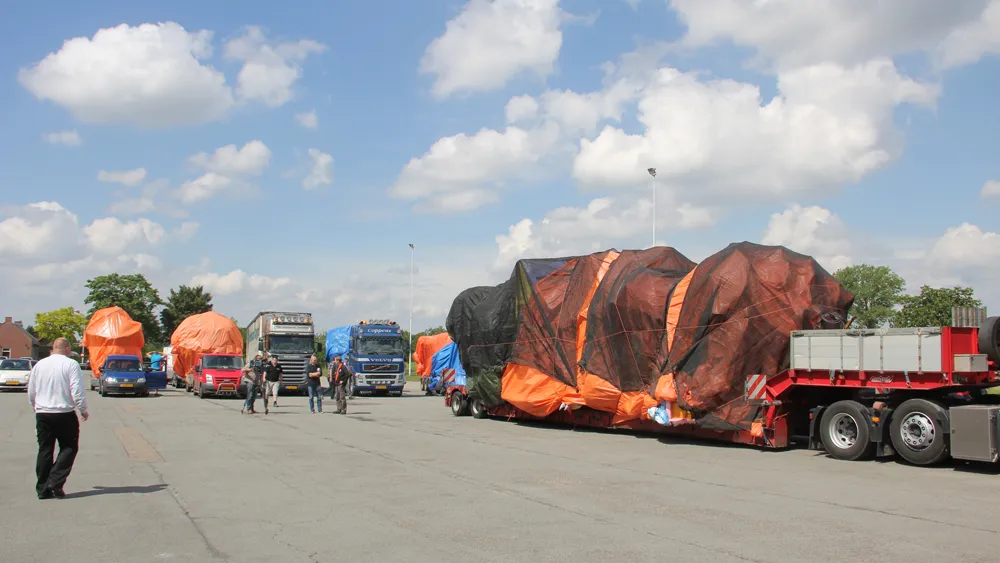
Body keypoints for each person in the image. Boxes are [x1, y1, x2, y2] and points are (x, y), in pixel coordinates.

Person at [27, 337, 88, 499]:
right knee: (69, 447)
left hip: (43, 412)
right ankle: (55, 481)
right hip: (64, 413)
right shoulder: (71, 364)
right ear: (67, 348)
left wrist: (36, 406)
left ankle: (42, 489)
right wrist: (83, 409)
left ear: (52, 349)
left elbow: (31, 389)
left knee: (45, 450)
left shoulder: (39, 365)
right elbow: (77, 390)